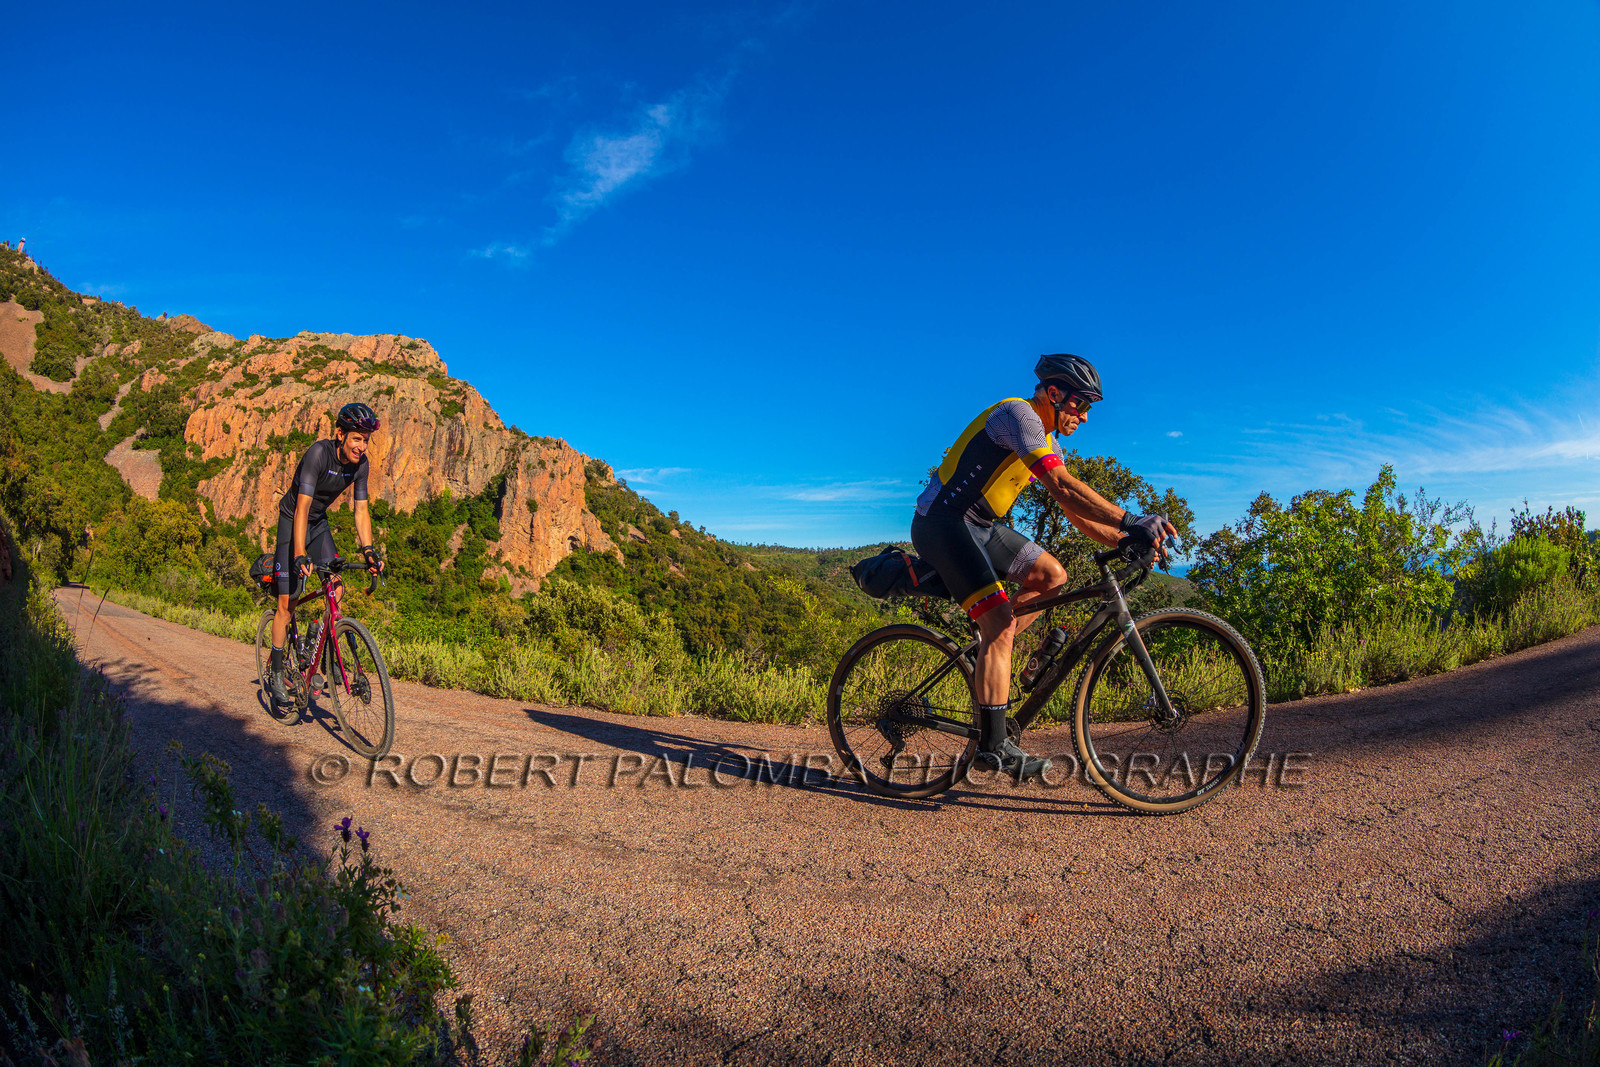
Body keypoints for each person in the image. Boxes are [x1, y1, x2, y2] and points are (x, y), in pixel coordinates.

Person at [910, 354, 1175, 779]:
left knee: (1051, 576)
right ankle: (992, 747)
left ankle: (990, 650)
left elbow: (1073, 509)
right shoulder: (1018, 413)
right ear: (1054, 393)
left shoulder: (1048, 442)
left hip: (982, 524)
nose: (1085, 417)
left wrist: (1128, 540)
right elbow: (1064, 485)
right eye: (1081, 405)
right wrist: (1131, 519)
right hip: (943, 522)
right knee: (1000, 622)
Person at [267, 402, 387, 704]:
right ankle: (278, 671)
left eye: (365, 439)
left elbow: (361, 511)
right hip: (292, 519)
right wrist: (298, 553)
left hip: (318, 523)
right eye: (356, 438)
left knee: (336, 586)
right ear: (340, 435)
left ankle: (323, 652)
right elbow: (302, 507)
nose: (361, 446)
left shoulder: (361, 465)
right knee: (288, 601)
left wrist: (369, 551)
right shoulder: (318, 454)